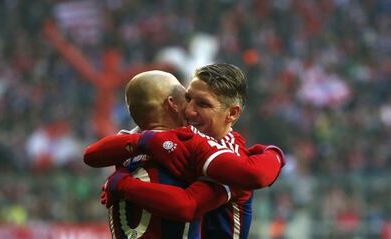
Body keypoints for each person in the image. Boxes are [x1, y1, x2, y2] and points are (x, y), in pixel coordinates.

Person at [84, 64, 285, 238]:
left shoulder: (230, 156)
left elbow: (187, 206)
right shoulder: (177, 136)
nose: (189, 111)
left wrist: (274, 153)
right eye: (188, 98)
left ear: (232, 113)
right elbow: (92, 155)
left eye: (203, 104)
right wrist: (146, 141)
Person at [98, 69, 232, 238]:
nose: (191, 109)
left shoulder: (122, 149)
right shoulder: (196, 149)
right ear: (172, 103)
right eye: (187, 99)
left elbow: (90, 155)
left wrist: (123, 184)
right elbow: (186, 207)